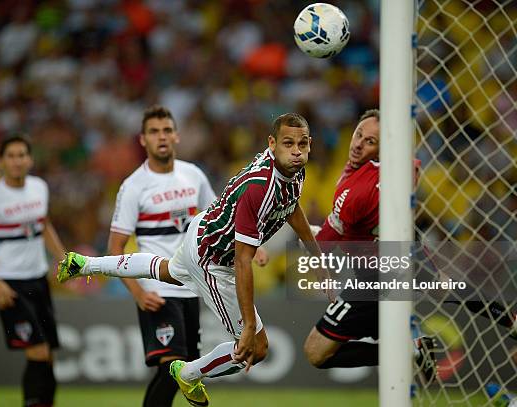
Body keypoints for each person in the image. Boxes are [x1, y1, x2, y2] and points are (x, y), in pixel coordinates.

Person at [57, 113, 320, 406]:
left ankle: (84, 264)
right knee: (255, 349)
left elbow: (291, 207)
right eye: (288, 143)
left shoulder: (293, 170)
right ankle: (188, 373)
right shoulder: (259, 186)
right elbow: (242, 263)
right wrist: (247, 326)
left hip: (202, 230)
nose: (297, 150)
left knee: (166, 269)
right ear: (272, 144)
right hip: (213, 260)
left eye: (303, 144)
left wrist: (317, 256)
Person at [303, 109, 517, 383]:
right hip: (411, 258)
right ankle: (516, 322)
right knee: (447, 287)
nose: (357, 144)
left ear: (382, 149)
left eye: (370, 142)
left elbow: (322, 248)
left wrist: (307, 237)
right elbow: (412, 167)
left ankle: (408, 351)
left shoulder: (354, 192)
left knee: (316, 352)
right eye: (358, 135)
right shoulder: (396, 169)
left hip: (377, 279)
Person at [108, 105, 216, 407]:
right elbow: (115, 247)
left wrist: (252, 248)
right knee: (173, 368)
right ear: (143, 140)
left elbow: (217, 220)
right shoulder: (133, 187)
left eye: (167, 130)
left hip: (190, 286)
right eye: (154, 132)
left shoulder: (193, 175)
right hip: (156, 289)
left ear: (177, 136)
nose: (162, 137)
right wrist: (138, 292)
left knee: (186, 372)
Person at [0, 135, 66, 407]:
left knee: (49, 355)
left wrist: (64, 259)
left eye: (22, 155)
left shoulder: (39, 187)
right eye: (11, 156)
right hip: (10, 284)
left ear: (30, 159)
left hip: (39, 280)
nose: (17, 161)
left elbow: (44, 226)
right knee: (38, 353)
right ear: (0, 161)